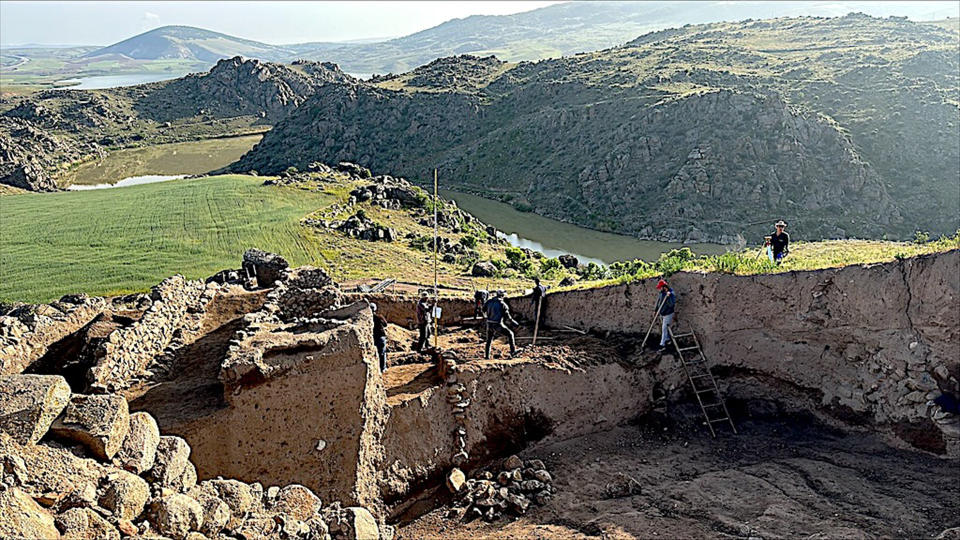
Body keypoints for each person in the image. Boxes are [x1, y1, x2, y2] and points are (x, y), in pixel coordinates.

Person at [484, 289, 518, 359]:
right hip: (497, 324)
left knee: (489, 340)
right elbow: (508, 317)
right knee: (510, 334)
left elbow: (483, 309)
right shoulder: (502, 304)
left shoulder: (489, 301)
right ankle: (513, 351)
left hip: (489, 323)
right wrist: (514, 323)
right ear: (502, 295)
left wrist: (488, 315)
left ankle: (487, 356)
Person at [654, 279, 676, 351]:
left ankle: (662, 344)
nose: (660, 289)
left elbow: (671, 304)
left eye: (661, 287)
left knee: (664, 328)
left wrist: (668, 297)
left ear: (664, 287)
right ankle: (668, 340)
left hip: (668, 313)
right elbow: (658, 302)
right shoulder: (661, 293)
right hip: (662, 313)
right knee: (663, 327)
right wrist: (656, 310)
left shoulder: (671, 293)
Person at [370, 303, 388, 371]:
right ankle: (383, 368)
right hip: (381, 336)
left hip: (373, 337)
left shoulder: (368, 319)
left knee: (375, 353)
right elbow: (385, 324)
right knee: (382, 353)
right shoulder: (379, 316)